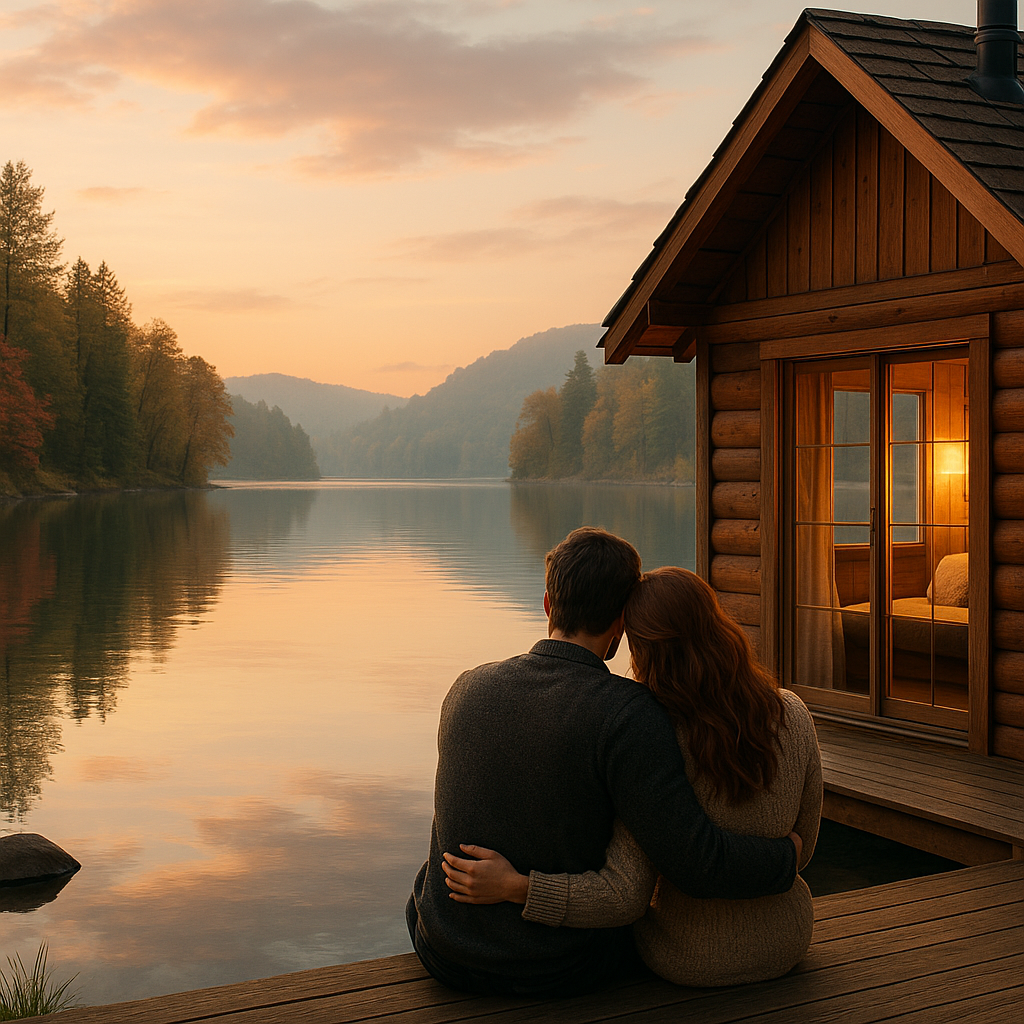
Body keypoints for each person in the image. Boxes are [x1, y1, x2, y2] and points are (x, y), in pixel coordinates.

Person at [408, 529, 801, 997]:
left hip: (441, 950)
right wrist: (786, 857)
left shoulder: (465, 687)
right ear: (621, 623)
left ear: (548, 604)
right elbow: (694, 861)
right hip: (556, 968)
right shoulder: (629, 714)